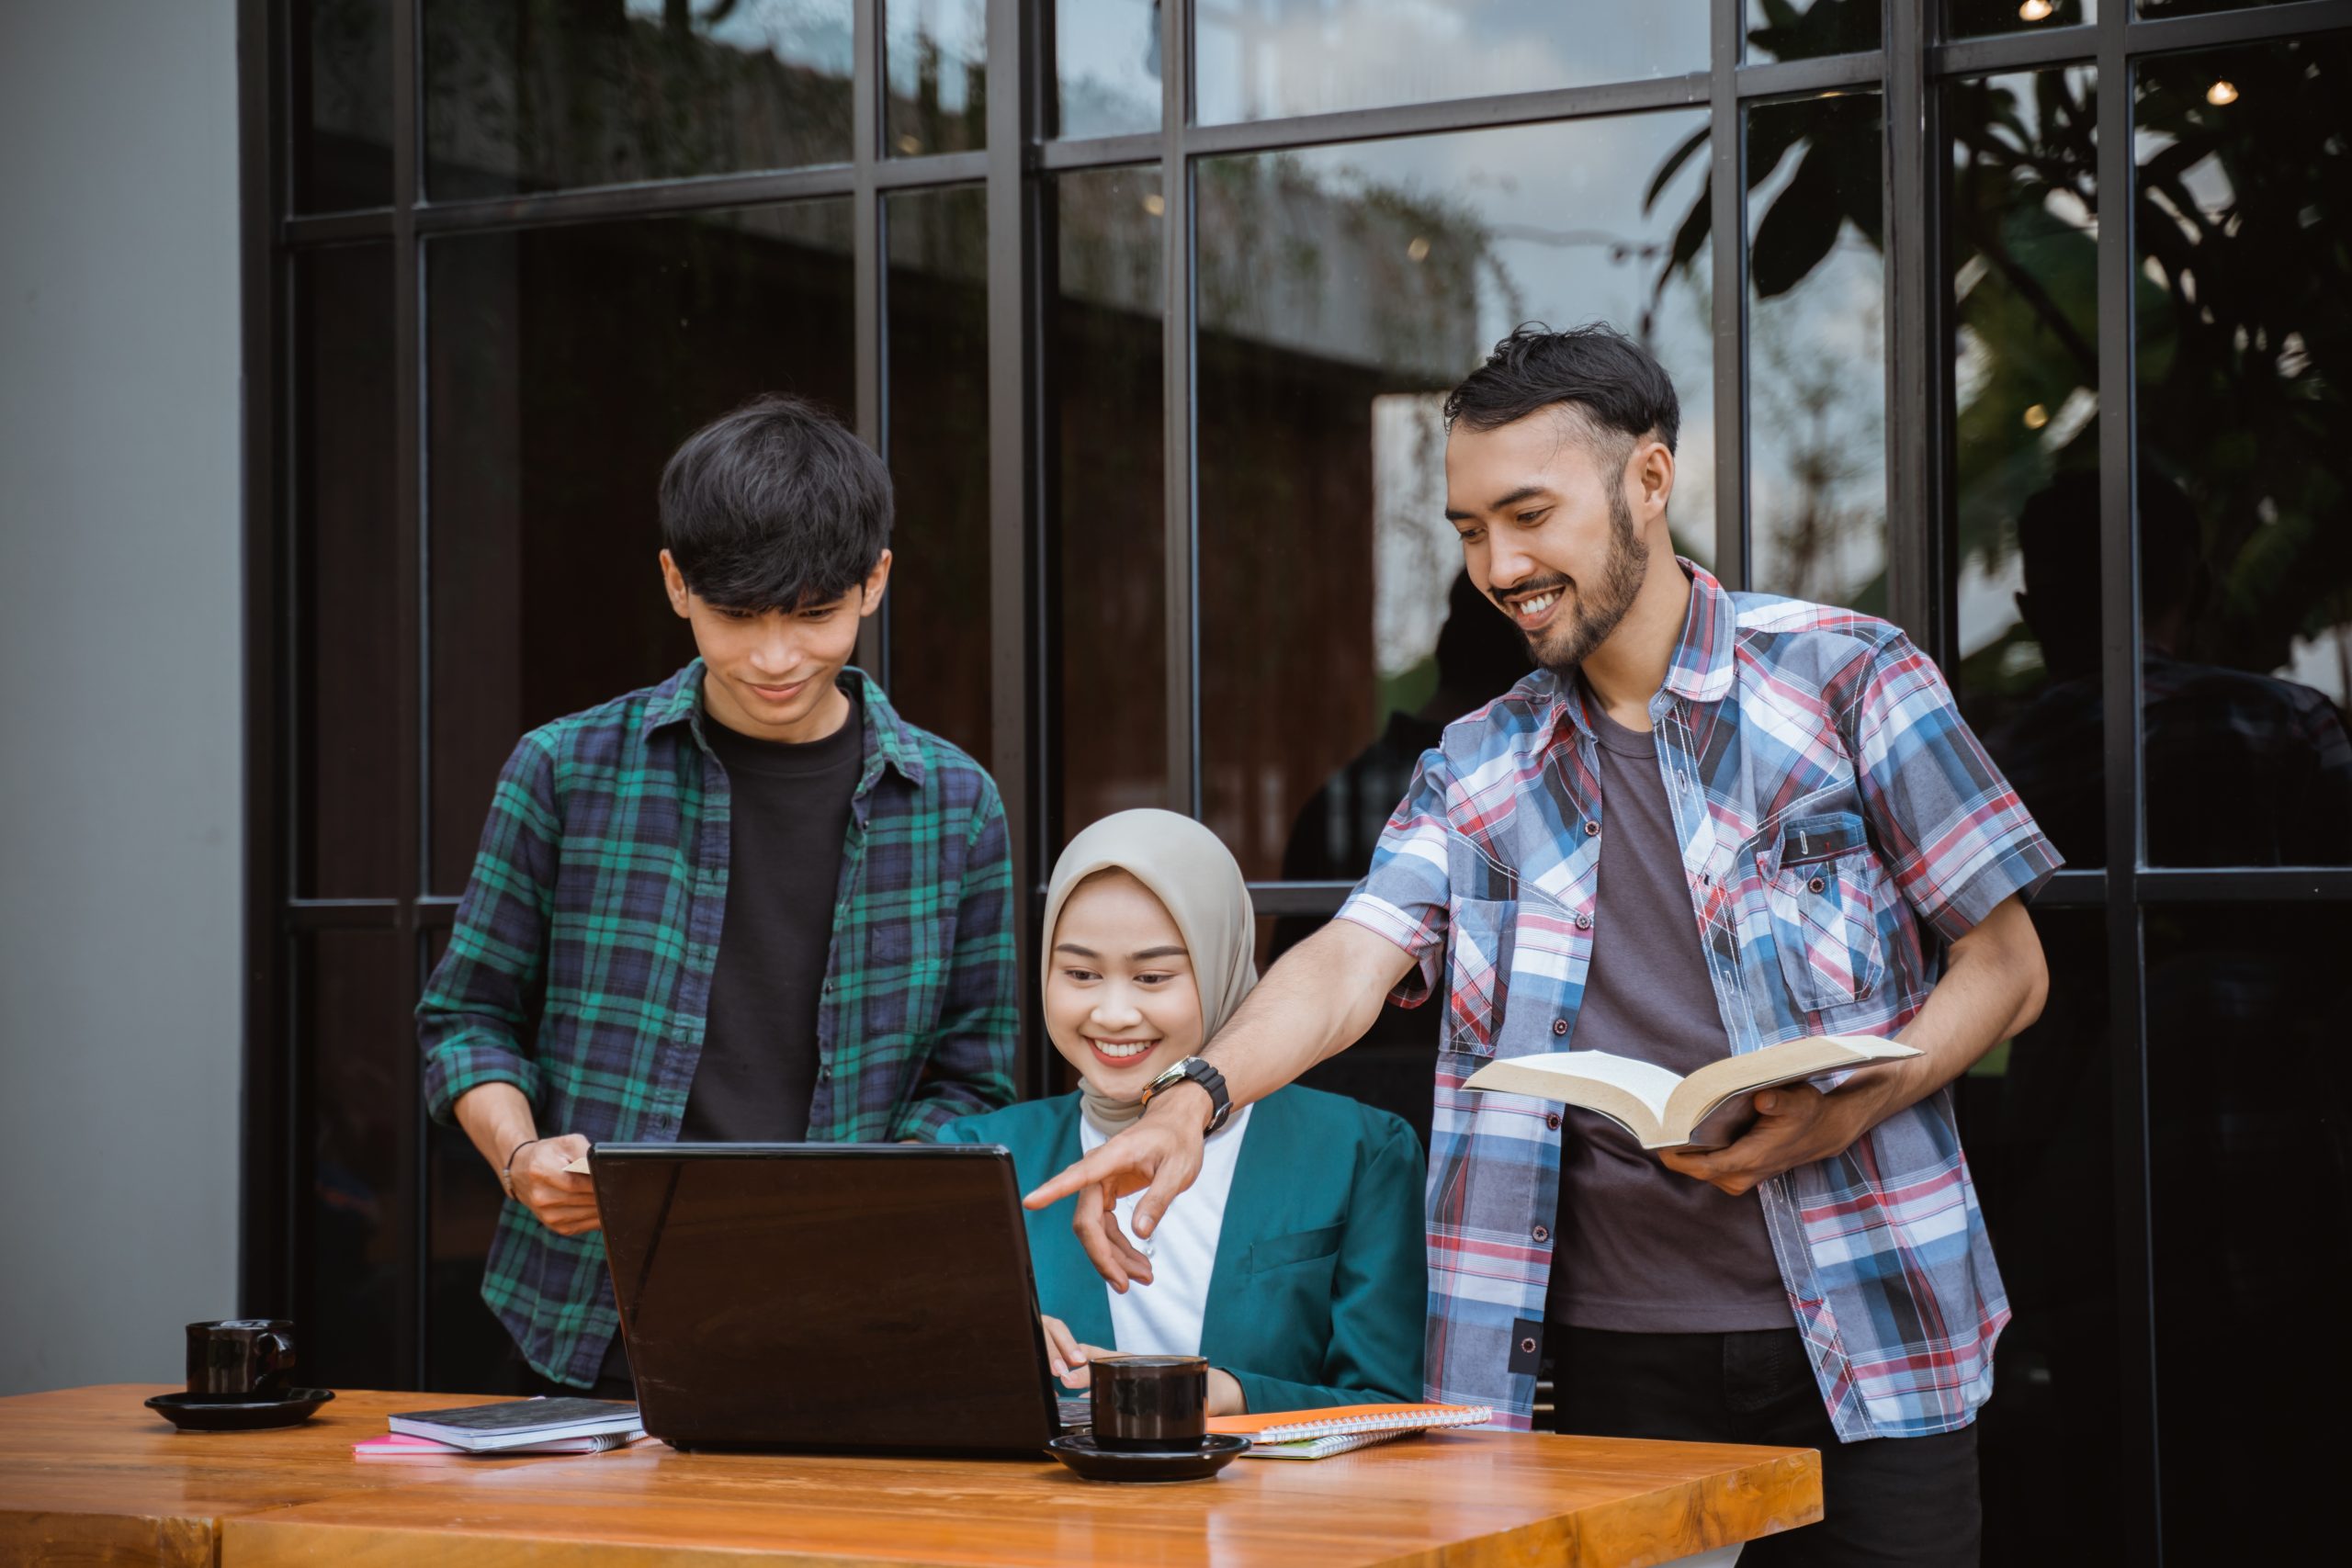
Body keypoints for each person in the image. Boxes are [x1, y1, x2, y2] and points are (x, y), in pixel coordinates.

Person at [1029, 325, 2060, 1565]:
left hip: (1879, 1323)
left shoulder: (1849, 678)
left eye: (1528, 514)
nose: (1499, 564)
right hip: (1613, 1354)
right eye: (1468, 529)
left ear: (1650, 480)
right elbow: (1352, 957)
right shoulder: (1475, 764)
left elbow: (2008, 966)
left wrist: (1865, 1094)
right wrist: (1193, 1095)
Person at [418, 393, 1018, 1396]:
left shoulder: (956, 804)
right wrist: (522, 1156)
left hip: (856, 1318)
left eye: (815, 614)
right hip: (590, 1311)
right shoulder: (564, 772)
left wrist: (861, 1211)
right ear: (674, 583)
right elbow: (465, 1019)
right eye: (736, 617)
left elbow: (974, 1081)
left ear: (874, 582)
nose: (775, 659)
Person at [939, 808, 1426, 1415]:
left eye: (1152, 975)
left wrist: (1226, 1393)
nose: (1113, 1012)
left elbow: (1388, 1408)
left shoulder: (1358, 1151)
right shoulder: (982, 1153)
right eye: (1080, 972)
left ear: (1222, 962)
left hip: (1275, 1511)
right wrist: (976, 1349)